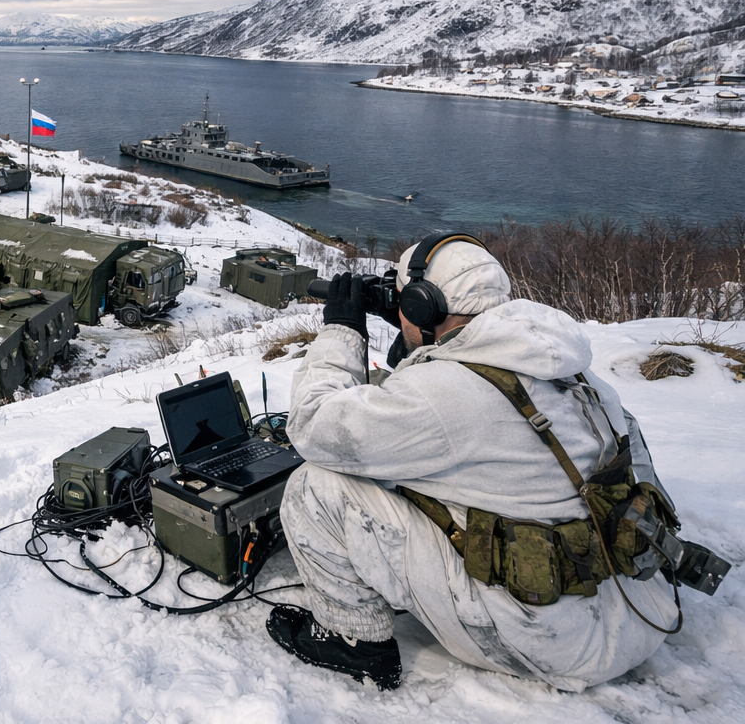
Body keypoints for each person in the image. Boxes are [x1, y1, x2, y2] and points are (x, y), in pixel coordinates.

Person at [267, 233, 678, 691]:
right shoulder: (566, 366)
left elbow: (312, 426)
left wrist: (341, 331)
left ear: (425, 307)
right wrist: (417, 338)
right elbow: (451, 405)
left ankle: (353, 644)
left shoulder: (443, 396)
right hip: (640, 608)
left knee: (315, 485)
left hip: (547, 641)